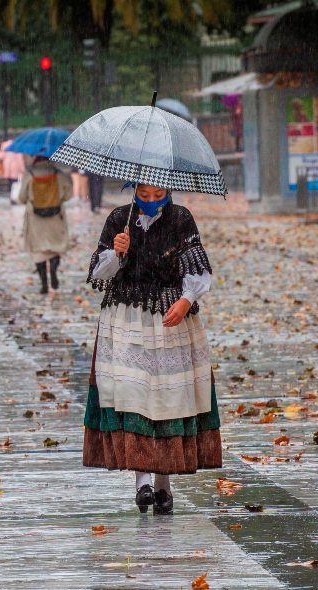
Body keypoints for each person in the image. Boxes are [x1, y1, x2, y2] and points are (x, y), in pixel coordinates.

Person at [82, 182, 222, 515]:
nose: (150, 201)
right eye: (143, 196)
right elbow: (99, 273)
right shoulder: (119, 219)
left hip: (169, 318)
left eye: (157, 195)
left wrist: (187, 300)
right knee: (132, 395)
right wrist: (116, 253)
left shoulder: (181, 219)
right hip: (125, 318)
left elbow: (197, 269)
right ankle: (141, 481)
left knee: (167, 399)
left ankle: (163, 484)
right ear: (134, 191)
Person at [17, 157, 72, 294]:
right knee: (55, 246)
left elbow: (21, 197)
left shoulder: (29, 175)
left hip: (36, 219)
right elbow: (68, 195)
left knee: (38, 250)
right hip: (55, 216)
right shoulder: (59, 174)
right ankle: (53, 268)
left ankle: (44, 284)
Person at [0, 139, 26, 204]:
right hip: (15, 166)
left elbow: (1, 156)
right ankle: (14, 197)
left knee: (11, 183)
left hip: (7, 166)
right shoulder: (17, 146)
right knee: (15, 183)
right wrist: (23, 169)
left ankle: (12, 198)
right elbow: (20, 159)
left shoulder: (4, 145)